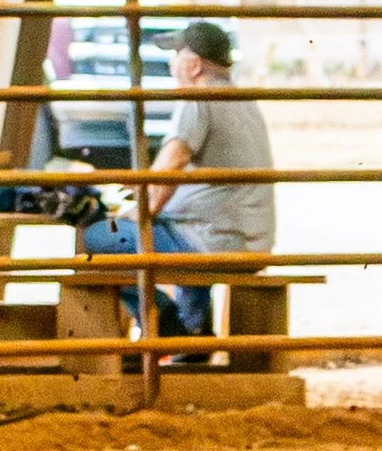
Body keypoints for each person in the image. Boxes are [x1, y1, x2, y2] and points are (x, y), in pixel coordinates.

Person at [81, 20, 274, 349]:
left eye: (176, 56)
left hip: (211, 243)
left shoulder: (196, 100)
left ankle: (164, 324)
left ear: (195, 64)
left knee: (98, 237)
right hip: (253, 243)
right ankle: (194, 335)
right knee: (178, 228)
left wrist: (141, 210)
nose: (171, 65)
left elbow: (170, 164)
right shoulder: (245, 102)